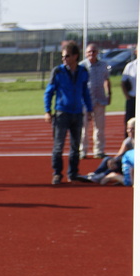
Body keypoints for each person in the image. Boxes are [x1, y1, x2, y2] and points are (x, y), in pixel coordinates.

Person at [44, 41, 93, 185]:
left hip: (77, 113)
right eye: (63, 56)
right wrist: (48, 111)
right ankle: (57, 173)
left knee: (75, 146)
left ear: (75, 56)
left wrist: (89, 109)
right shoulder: (58, 71)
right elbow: (49, 92)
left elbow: (85, 92)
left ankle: (73, 173)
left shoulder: (83, 72)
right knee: (58, 146)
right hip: (62, 113)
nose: (64, 59)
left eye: (67, 56)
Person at [78, 117, 135, 185]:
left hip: (133, 166)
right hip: (129, 165)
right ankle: (94, 175)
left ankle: (104, 176)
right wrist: (112, 160)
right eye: (128, 128)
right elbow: (120, 154)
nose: (129, 131)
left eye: (133, 129)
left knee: (117, 164)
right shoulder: (128, 141)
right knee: (107, 159)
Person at [79, 43, 111, 159]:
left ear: (97, 52)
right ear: (86, 53)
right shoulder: (82, 66)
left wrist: (109, 94)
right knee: (84, 127)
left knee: (100, 127)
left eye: (94, 51)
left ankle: (99, 150)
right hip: (85, 100)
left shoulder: (103, 65)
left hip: (100, 99)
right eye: (89, 52)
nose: (91, 54)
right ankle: (82, 150)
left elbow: (107, 80)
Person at [121, 52, 137, 138]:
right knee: (129, 122)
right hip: (132, 98)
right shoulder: (130, 66)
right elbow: (123, 82)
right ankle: (128, 143)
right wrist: (127, 96)